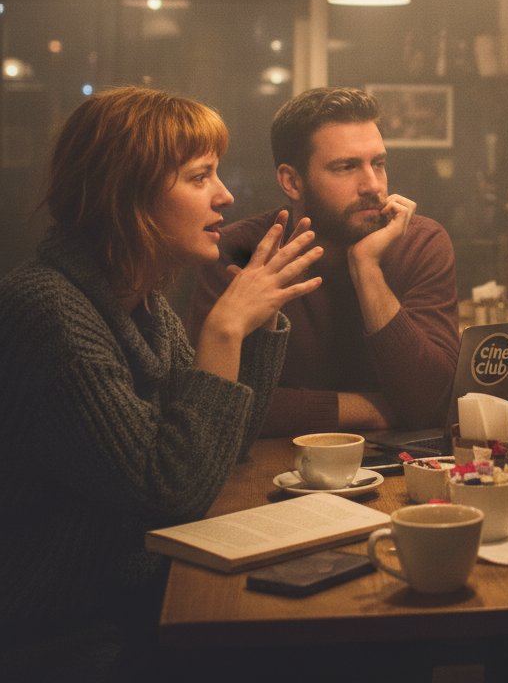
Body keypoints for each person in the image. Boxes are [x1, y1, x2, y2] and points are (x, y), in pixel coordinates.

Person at [0, 86, 323, 679]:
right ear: (126, 195)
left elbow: (221, 446)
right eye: (200, 177)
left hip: (134, 600)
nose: (225, 195)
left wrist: (263, 310)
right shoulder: (49, 311)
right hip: (69, 633)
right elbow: (172, 488)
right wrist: (224, 329)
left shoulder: (140, 302)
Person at [189, 87, 460, 436]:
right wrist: (373, 409)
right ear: (292, 181)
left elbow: (432, 403)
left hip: (399, 473)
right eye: (346, 167)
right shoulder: (241, 251)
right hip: (275, 473)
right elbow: (219, 407)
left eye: (378, 163)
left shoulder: (420, 242)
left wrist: (366, 269)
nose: (373, 185)